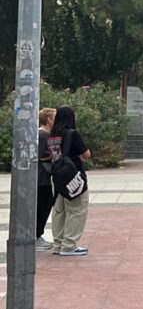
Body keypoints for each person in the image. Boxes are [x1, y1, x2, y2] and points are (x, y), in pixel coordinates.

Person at [47, 106, 91, 256]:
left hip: (58, 176)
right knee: (77, 208)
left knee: (59, 209)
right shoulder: (72, 134)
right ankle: (69, 245)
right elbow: (86, 154)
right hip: (73, 177)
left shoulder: (53, 135)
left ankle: (58, 244)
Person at [35, 108, 56, 251]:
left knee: (44, 206)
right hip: (43, 178)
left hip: (43, 177)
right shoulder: (44, 135)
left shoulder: (43, 134)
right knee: (42, 207)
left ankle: (38, 235)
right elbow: (43, 155)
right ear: (49, 119)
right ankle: (36, 235)